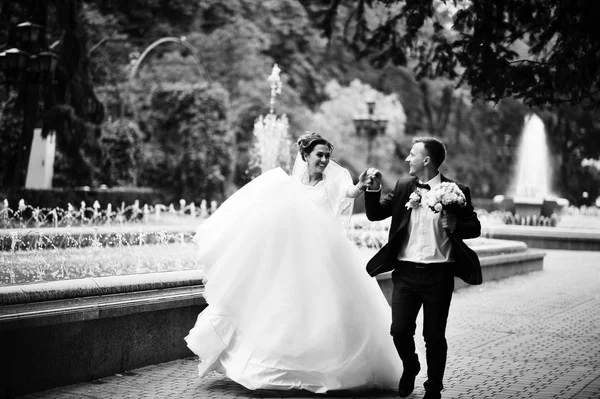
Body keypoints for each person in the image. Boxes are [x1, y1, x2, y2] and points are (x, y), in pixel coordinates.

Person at [185, 132, 403, 393]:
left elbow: (350, 191)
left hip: (326, 258)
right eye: (319, 155)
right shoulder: (287, 185)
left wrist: (364, 183)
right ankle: (276, 367)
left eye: (327, 156)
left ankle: (328, 365)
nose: (323, 160)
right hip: (293, 258)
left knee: (327, 310)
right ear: (306, 155)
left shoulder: (332, 182)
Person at [360, 136, 481, 399]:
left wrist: (455, 224)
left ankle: (433, 389)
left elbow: (475, 227)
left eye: (412, 154)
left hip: (439, 275)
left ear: (426, 160)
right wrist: (373, 189)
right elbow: (375, 214)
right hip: (405, 273)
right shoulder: (404, 186)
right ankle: (411, 365)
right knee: (399, 330)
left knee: (434, 336)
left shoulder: (457, 191)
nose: (407, 159)